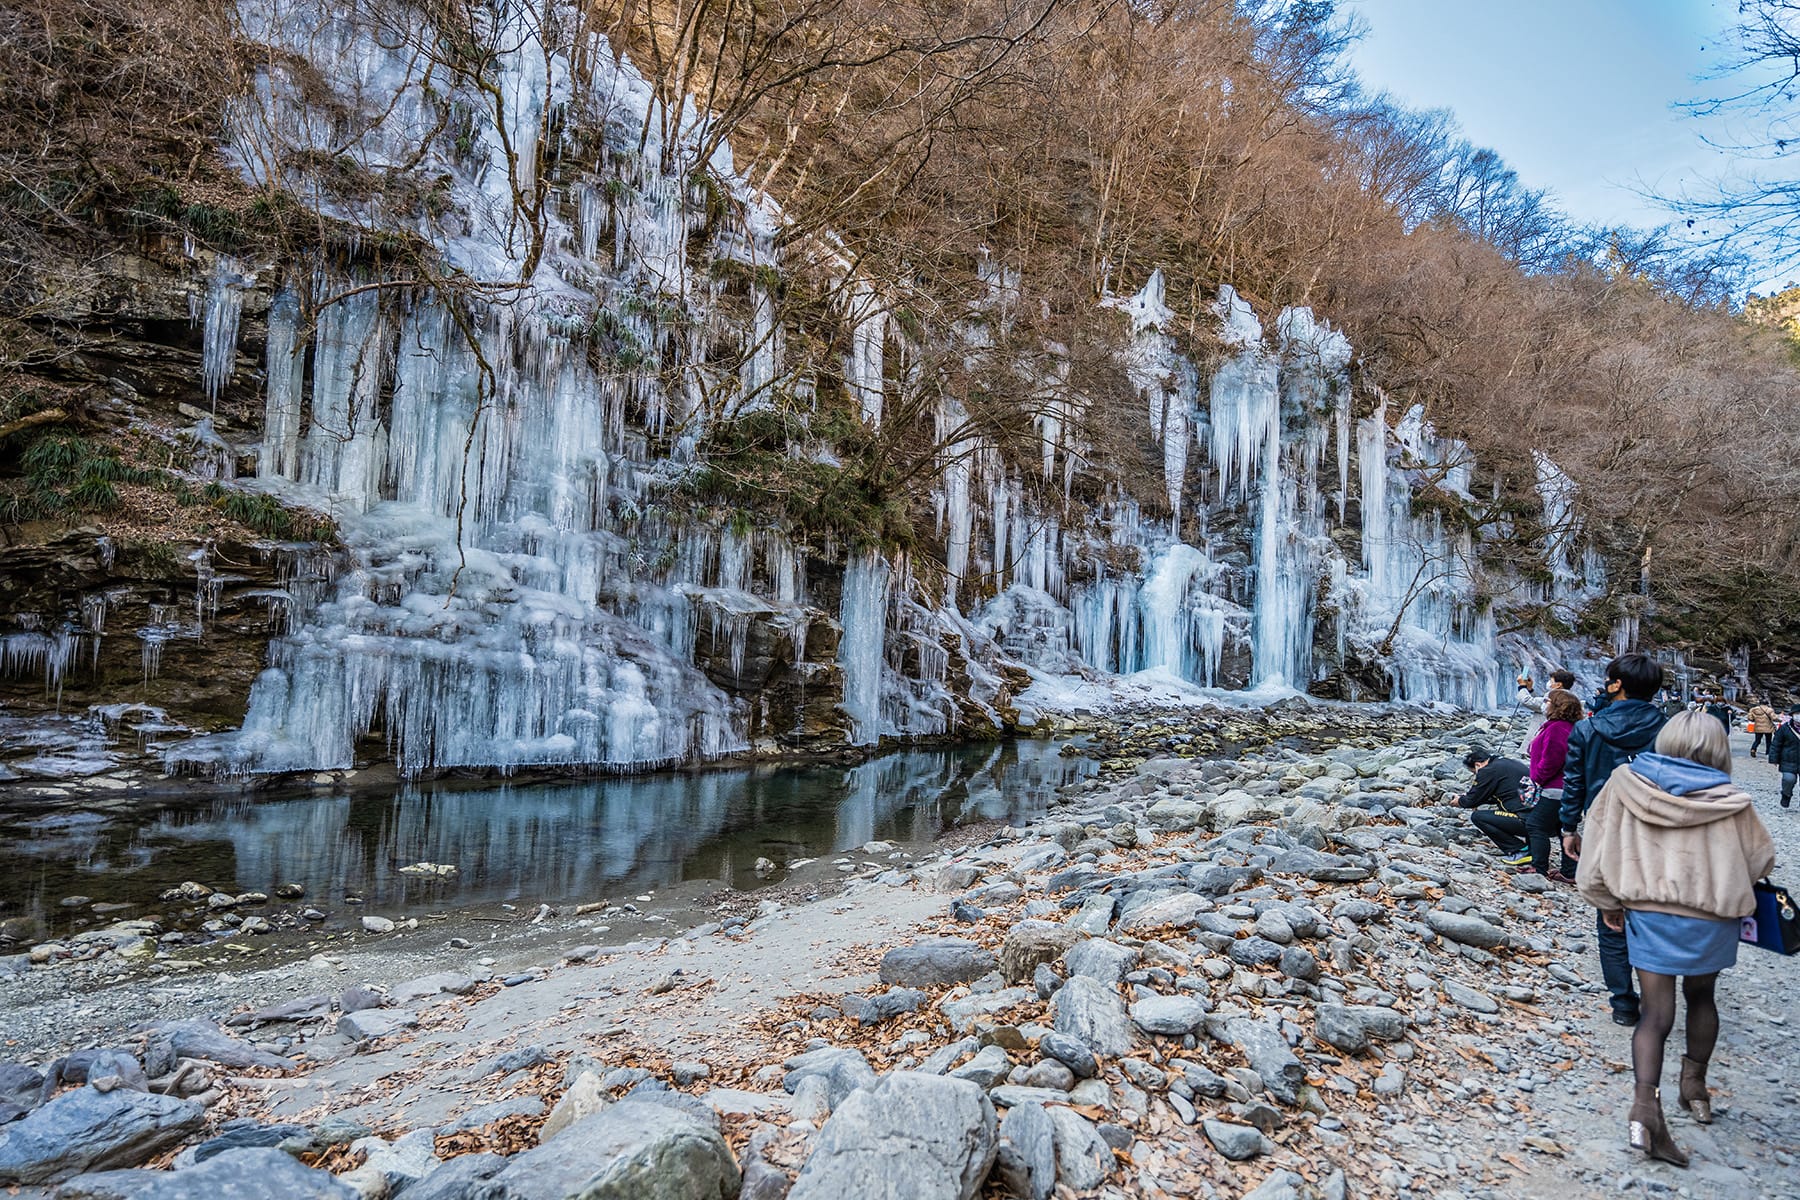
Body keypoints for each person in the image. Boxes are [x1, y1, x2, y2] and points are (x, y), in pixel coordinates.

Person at [1575, 711, 1775, 1167]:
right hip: (1710, 917)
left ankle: (1645, 1110)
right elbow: (1762, 860)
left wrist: (1607, 903)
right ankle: (1696, 1090)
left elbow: (1596, 850)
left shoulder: (1624, 783)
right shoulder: (1732, 800)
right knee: (1702, 997)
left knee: (1654, 1014)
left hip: (1648, 913)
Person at [1561, 652, 1668, 1026]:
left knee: (1610, 912)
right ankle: (1659, 994)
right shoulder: (1668, 730)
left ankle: (1623, 1002)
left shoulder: (1587, 730)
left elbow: (1574, 783)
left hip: (1605, 829)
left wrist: (1569, 828)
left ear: (1617, 684)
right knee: (1653, 908)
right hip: (1659, 829)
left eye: (1610, 678)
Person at [1524, 689, 1581, 881]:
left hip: (1555, 787)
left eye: (1548, 700)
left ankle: (1538, 867)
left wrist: (1538, 778)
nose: (1544, 703)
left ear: (1557, 705)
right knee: (1561, 828)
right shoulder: (1566, 727)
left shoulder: (1557, 728)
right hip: (1565, 787)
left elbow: (1552, 759)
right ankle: (1569, 871)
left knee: (1535, 824)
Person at [1456, 746, 1533, 865]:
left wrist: (1460, 800)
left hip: (1525, 821)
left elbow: (1471, 801)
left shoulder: (1487, 770)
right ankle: (1533, 850)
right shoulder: (1507, 763)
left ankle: (1519, 849)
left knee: (1478, 817)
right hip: (1540, 818)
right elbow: (1502, 792)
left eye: (1474, 773)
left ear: (1478, 765)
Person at [1770, 705, 1800, 809]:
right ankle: (1786, 795)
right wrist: (1774, 758)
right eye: (1797, 714)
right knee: (1788, 779)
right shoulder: (1785, 728)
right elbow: (1776, 743)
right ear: (1792, 715)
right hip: (1788, 760)